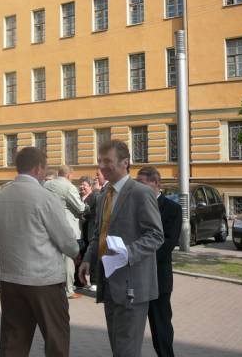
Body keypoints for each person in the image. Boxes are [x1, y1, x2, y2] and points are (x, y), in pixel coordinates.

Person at [0, 147, 79, 357]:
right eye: (45, 168)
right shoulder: (45, 197)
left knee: (13, 341)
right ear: (39, 168)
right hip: (44, 280)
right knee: (56, 339)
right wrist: (75, 251)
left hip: (11, 279)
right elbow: (68, 243)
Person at [79, 140, 164, 357]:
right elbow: (99, 234)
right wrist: (88, 258)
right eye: (99, 161)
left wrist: (127, 252)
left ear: (125, 162)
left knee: (127, 351)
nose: (101, 166)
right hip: (109, 284)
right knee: (118, 348)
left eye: (107, 161)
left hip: (132, 286)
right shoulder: (104, 195)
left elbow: (156, 235)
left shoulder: (141, 193)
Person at [136, 166, 182, 357]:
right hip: (135, 278)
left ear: (155, 183)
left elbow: (168, 243)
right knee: (132, 329)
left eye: (142, 183)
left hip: (158, 278)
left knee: (160, 327)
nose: (138, 188)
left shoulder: (172, 209)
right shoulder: (134, 206)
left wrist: (138, 256)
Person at [44, 165, 85, 299]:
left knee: (53, 259)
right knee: (68, 259)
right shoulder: (69, 187)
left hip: (49, 226)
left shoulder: (47, 184)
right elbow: (80, 207)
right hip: (67, 228)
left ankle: (52, 287)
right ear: (69, 175)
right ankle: (68, 290)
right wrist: (87, 207)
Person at [79, 176, 99, 291]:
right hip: (81, 231)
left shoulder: (94, 196)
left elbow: (94, 213)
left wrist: (83, 213)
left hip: (91, 229)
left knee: (93, 255)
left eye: (84, 185)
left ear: (90, 187)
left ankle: (94, 281)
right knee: (82, 254)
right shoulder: (78, 196)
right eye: (81, 184)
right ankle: (81, 282)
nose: (82, 187)